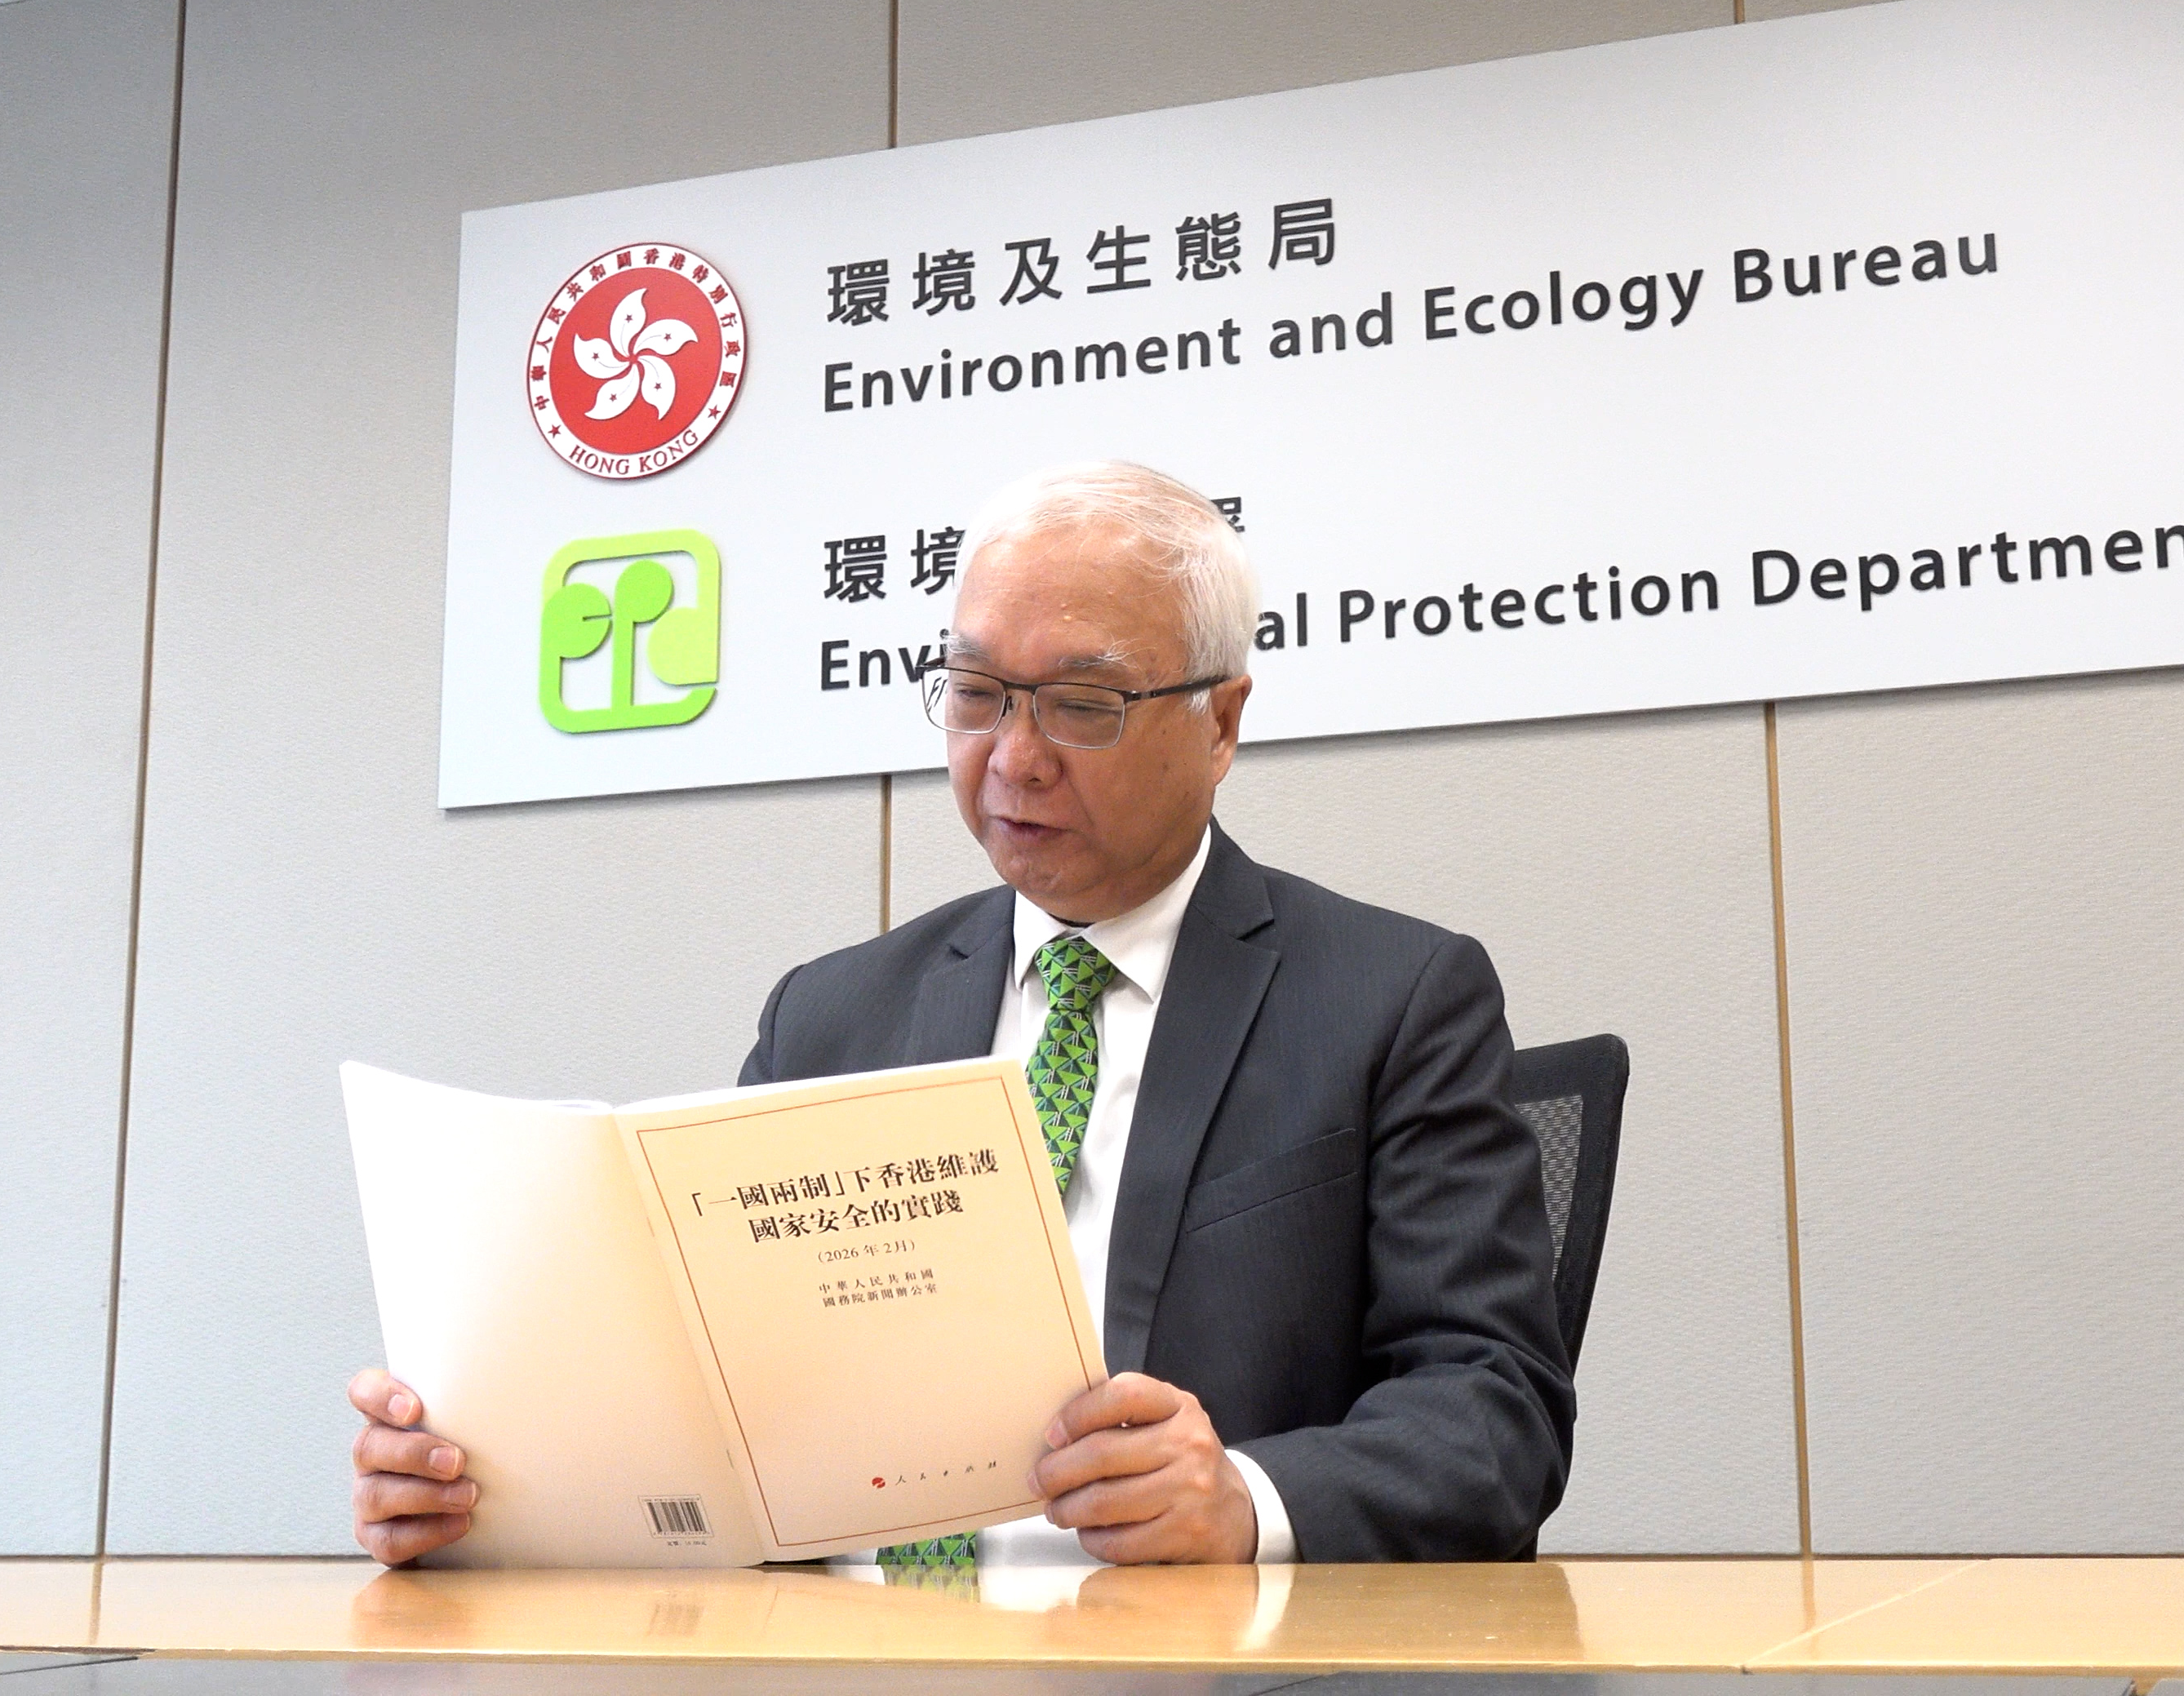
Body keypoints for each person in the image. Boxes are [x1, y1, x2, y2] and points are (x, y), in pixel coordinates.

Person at [349, 461, 1574, 1567]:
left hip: (1166, 1646)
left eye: (1082, 704)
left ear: (1221, 722)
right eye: (978, 693)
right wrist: (486, 1480)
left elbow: (1494, 1408)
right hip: (832, 1645)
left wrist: (1245, 1500)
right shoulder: (830, 1015)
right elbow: (700, 1386)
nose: (1015, 756)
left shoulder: (1391, 1000)